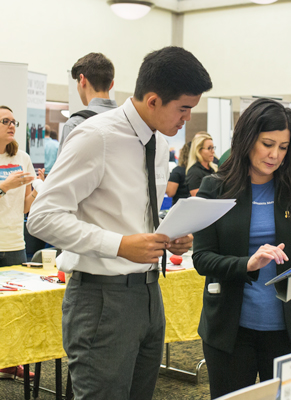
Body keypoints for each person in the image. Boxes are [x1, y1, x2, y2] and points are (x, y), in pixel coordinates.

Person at [27, 46, 212, 400]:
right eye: (184, 109)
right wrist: (120, 244)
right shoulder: (97, 136)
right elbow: (42, 217)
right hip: (101, 298)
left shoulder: (156, 142)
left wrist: (168, 236)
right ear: (154, 100)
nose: (187, 118)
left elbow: (135, 213)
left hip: (148, 293)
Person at [192, 98, 291, 399]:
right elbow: (202, 259)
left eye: (283, 147)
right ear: (247, 139)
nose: (275, 155)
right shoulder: (214, 189)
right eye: (267, 144)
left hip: (290, 330)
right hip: (231, 331)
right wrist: (248, 263)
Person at [0, 105, 44, 380]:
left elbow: (26, 207)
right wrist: (5, 186)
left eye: (14, 121)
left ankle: (8, 362)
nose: (11, 125)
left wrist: (39, 191)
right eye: (5, 121)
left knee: (16, 306)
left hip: (15, 239)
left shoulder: (23, 157)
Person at [58, 52, 117, 155]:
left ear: (82, 80)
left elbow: (63, 170)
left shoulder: (75, 124)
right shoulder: (129, 121)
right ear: (111, 84)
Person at [186, 132, 217, 196]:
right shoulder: (194, 171)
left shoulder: (214, 169)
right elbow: (198, 197)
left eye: (213, 148)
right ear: (198, 150)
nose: (213, 151)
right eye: (209, 148)